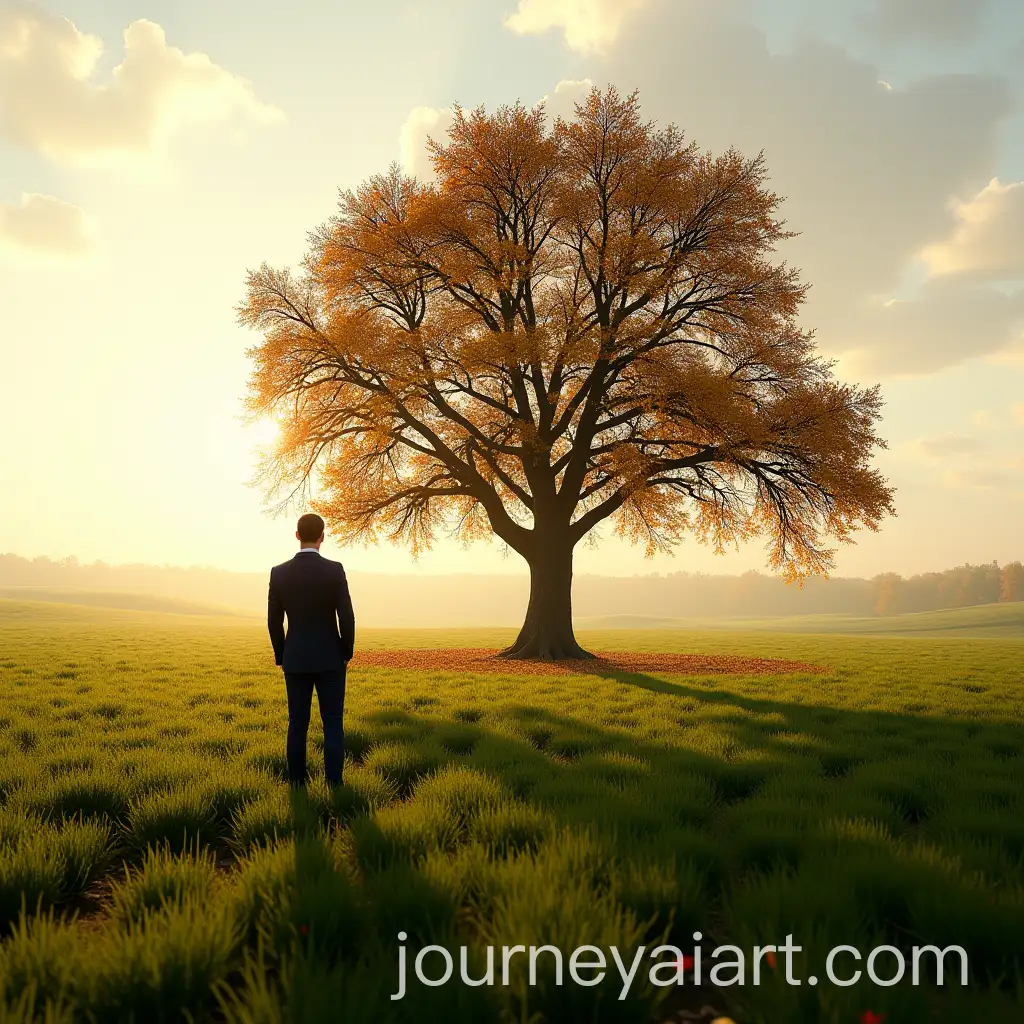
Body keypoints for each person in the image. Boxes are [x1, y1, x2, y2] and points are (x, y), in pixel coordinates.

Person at [267, 513, 355, 787]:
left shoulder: (278, 573)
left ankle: (296, 784)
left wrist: (282, 655)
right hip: (330, 657)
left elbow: (273, 621)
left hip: (295, 659)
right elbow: (347, 617)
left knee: (297, 724)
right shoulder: (335, 570)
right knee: (332, 723)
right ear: (322, 536)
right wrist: (346, 651)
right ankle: (334, 783)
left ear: (296, 536)